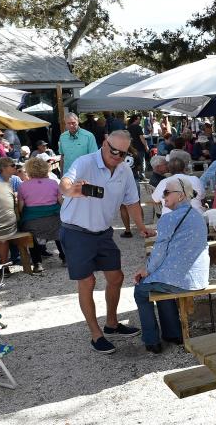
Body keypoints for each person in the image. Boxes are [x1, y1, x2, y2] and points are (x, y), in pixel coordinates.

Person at [58, 130, 152, 354]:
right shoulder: (85, 161)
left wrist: (141, 227)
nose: (117, 156)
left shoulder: (124, 169)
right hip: (76, 231)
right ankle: (95, 334)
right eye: (114, 150)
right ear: (104, 143)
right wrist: (69, 190)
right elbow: (64, 182)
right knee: (87, 282)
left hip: (102, 232)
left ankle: (111, 324)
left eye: (123, 153)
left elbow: (132, 202)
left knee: (116, 277)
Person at [133, 176, 209, 353]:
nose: (163, 196)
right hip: (200, 278)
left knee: (141, 290)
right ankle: (172, 333)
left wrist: (145, 270)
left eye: (166, 192)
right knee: (160, 284)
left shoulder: (168, 218)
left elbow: (158, 254)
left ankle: (152, 340)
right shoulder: (198, 216)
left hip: (181, 280)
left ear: (181, 196)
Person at [18, 156, 63, 273]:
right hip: (54, 219)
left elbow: (21, 207)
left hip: (33, 222)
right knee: (60, 230)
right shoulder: (53, 183)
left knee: (32, 235)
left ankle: (37, 263)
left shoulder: (23, 185)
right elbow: (61, 202)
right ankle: (65, 257)